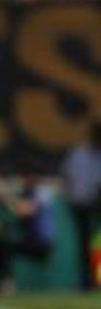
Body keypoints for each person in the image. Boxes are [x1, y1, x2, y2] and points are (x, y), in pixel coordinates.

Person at [61, 123, 101, 289]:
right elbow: (67, 175)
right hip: (82, 206)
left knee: (97, 245)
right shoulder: (79, 153)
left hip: (99, 206)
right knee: (84, 246)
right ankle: (88, 281)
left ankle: (97, 279)